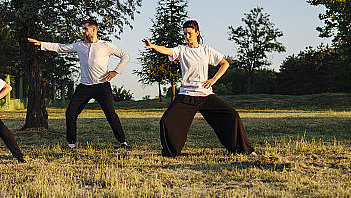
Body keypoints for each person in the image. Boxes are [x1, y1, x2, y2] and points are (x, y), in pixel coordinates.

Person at [144, 20, 254, 157]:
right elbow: (167, 50)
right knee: (166, 121)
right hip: (186, 95)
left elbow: (224, 63)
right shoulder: (181, 50)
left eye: (189, 33)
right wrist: (154, 46)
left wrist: (213, 80)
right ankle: (170, 153)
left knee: (232, 115)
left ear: (197, 32)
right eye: (185, 34)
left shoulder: (206, 50)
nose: (187, 36)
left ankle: (243, 150)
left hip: (205, 95)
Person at [28, 18, 130, 149]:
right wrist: (41, 44)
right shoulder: (79, 46)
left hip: (102, 85)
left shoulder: (106, 45)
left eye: (86, 29)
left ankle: (123, 142)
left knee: (110, 113)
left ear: (94, 29)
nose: (83, 31)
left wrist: (116, 71)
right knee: (70, 112)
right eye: (83, 29)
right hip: (84, 87)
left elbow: (125, 56)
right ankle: (71, 143)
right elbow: (60, 48)